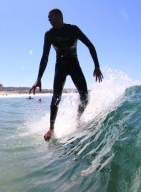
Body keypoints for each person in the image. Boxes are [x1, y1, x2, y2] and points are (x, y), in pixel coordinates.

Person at [29, 8, 103, 141]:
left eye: (50, 17)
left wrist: (97, 66)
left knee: (85, 96)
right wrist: (39, 78)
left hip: (74, 65)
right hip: (60, 67)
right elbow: (45, 57)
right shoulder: (49, 34)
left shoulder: (73, 29)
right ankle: (51, 129)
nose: (48, 20)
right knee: (56, 98)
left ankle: (78, 120)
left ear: (59, 17)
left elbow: (90, 46)